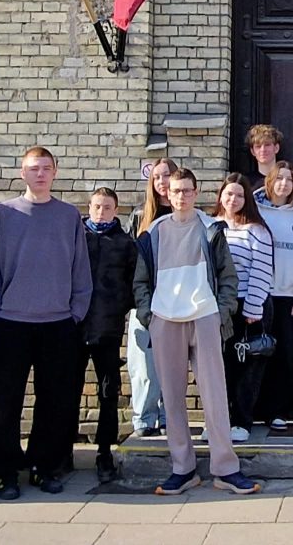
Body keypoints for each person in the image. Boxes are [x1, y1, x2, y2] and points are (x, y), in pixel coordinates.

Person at [133, 168, 261, 495]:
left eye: (187, 190)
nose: (182, 196)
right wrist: (150, 316)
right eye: (176, 191)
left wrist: (221, 313)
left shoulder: (210, 228)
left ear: (196, 192)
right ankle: (183, 468)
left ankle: (226, 468)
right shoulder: (153, 232)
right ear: (167, 193)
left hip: (204, 316)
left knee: (215, 395)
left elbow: (228, 276)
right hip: (165, 318)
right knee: (173, 397)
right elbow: (140, 281)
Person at [0, 146, 92, 500]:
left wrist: (76, 311)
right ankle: (6, 472)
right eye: (33, 168)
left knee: (54, 401)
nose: (40, 174)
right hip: (11, 322)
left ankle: (44, 467)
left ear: (55, 172)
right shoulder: (4, 214)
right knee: (4, 401)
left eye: (46, 168)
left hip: (58, 323)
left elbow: (80, 268)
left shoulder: (68, 215)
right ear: (22, 173)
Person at [74, 187, 137, 484]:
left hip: (108, 329)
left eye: (107, 207)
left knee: (108, 393)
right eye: (97, 207)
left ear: (116, 210)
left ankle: (104, 453)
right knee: (67, 391)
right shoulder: (77, 238)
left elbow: (132, 284)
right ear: (89, 207)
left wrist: (119, 306)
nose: (101, 212)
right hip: (74, 327)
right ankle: (60, 452)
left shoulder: (125, 244)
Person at [212, 174, 274, 442]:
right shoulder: (211, 226)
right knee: (219, 366)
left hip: (248, 304)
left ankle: (241, 421)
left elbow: (262, 270)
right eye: (229, 194)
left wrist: (252, 308)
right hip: (218, 306)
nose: (233, 200)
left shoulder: (257, 230)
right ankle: (218, 421)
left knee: (246, 367)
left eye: (239, 195)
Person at [253, 161, 293, 429]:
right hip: (260, 293)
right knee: (258, 351)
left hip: (287, 295)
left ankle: (278, 410)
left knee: (285, 354)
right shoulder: (256, 211)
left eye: (289, 179)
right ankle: (254, 407)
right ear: (270, 181)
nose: (284, 184)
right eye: (279, 178)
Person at [124, 157, 176, 437]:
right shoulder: (139, 216)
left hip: (176, 300)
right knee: (143, 364)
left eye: (166, 175)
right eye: (156, 177)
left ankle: (170, 417)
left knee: (172, 362)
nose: (162, 182)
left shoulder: (186, 214)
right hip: (144, 299)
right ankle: (144, 419)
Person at [243, 124, 283, 191]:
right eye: (258, 146)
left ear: (276, 148)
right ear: (252, 151)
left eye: (267, 145)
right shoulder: (246, 182)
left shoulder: (287, 179)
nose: (263, 150)